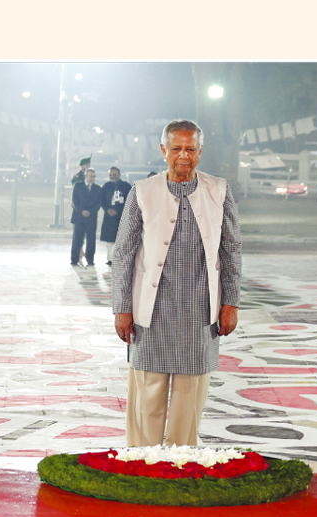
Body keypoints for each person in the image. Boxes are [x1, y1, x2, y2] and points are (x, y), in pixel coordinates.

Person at [112, 119, 242, 447]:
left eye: (190, 149)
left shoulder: (220, 190)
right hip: (151, 311)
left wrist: (231, 303)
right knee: (147, 394)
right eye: (176, 148)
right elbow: (124, 253)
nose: (183, 156)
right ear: (163, 150)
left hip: (200, 311)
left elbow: (231, 250)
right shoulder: (142, 191)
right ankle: (142, 460)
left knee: (189, 397)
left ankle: (182, 462)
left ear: (200, 151)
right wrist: (121, 308)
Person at [99, 166, 131, 266]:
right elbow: (102, 200)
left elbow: (129, 201)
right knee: (109, 239)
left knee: (121, 238)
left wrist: (119, 211)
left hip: (121, 216)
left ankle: (120, 258)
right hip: (109, 217)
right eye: (110, 175)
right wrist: (108, 209)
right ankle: (110, 258)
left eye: (114, 175)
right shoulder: (105, 186)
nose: (112, 176)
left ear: (119, 174)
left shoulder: (126, 186)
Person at [70, 167, 101, 266]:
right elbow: (75, 201)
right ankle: (74, 259)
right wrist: (82, 211)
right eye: (91, 176)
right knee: (77, 239)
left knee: (91, 239)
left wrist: (90, 212)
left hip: (91, 218)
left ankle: (90, 259)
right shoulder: (78, 186)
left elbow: (98, 203)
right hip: (79, 217)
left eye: (94, 176)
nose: (92, 178)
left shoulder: (97, 188)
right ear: (85, 176)